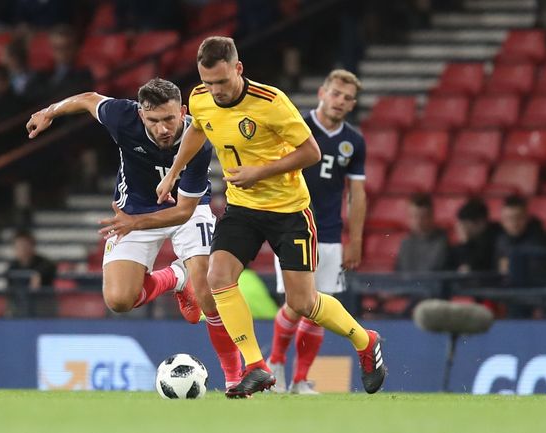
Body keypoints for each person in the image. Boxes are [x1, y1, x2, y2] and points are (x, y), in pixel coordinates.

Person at [156, 36, 386, 398]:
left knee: (302, 303)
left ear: (238, 69)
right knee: (218, 277)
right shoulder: (200, 98)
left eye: (221, 81)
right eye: (208, 81)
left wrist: (258, 172)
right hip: (242, 209)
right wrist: (173, 173)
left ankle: (365, 340)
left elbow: (310, 152)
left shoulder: (271, 102)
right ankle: (256, 366)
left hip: (288, 211)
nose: (214, 90)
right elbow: (198, 129)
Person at [25, 78, 243, 389]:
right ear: (141, 115)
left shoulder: (198, 139)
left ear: (183, 111)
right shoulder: (122, 116)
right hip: (135, 209)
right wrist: (50, 111)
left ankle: (234, 380)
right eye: (154, 121)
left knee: (208, 293)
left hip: (187, 209)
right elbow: (88, 98)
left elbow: (183, 211)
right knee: (119, 300)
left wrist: (134, 225)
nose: (163, 128)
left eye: (170, 119)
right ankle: (176, 278)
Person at [266, 69, 368, 395]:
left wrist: (356, 240)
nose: (340, 101)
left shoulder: (354, 142)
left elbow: (357, 193)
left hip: (329, 234)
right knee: (298, 304)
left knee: (321, 307)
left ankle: (300, 380)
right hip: (292, 226)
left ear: (353, 105)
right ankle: (277, 363)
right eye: (336, 93)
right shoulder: (298, 127)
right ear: (322, 93)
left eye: (348, 98)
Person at [497, 194, 546, 285]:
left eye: (518, 218)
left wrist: (512, 267)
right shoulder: (500, 241)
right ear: (502, 220)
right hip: (504, 293)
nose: (514, 223)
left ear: (527, 218)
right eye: (508, 219)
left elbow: (541, 272)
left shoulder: (539, 240)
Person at [6, 229, 57, 316]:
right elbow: (10, 291)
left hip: (42, 311)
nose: (22, 249)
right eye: (18, 246)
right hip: (20, 310)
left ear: (32, 246)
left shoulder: (44, 263)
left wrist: (38, 274)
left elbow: (51, 267)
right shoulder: (12, 267)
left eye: (24, 245)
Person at [396, 193, 450, 272]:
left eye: (422, 217)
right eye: (414, 216)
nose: (418, 221)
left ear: (431, 216)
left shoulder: (442, 242)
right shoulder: (405, 243)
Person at [452, 198, 503, 273]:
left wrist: (465, 243)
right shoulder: (470, 239)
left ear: (481, 223)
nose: (464, 229)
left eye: (466, 224)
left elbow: (477, 266)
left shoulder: (496, 236)